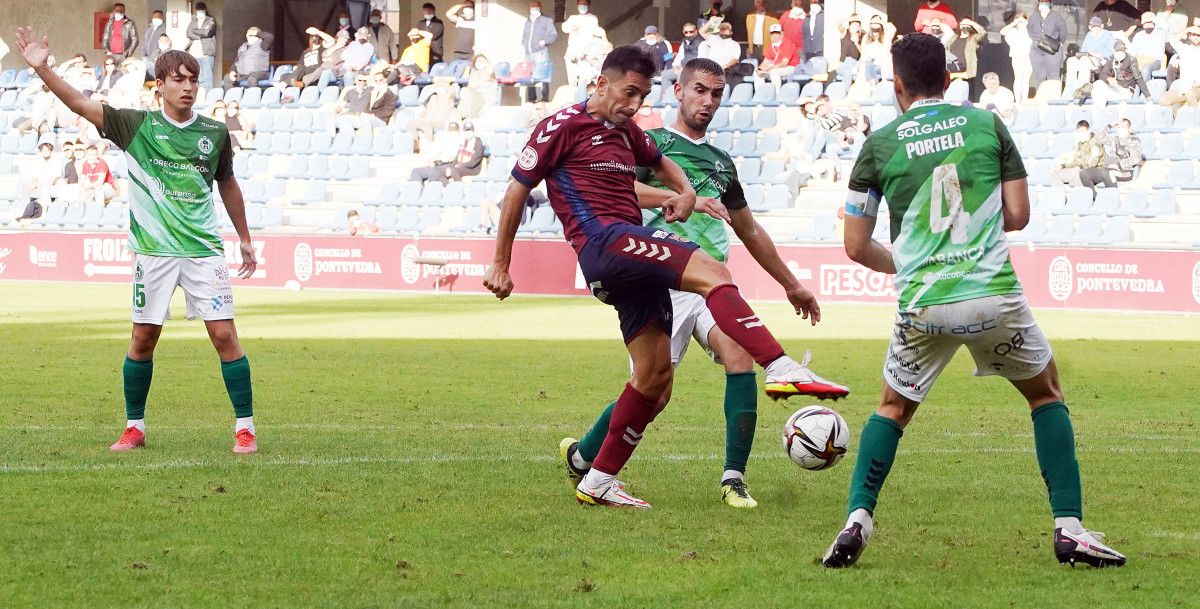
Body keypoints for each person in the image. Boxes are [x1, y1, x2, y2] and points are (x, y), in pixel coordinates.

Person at [485, 47, 841, 510]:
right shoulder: (562, 126)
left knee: (653, 379)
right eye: (629, 93)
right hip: (607, 242)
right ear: (600, 83)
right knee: (715, 272)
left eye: (641, 95)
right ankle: (781, 366)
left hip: (634, 261)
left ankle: (597, 480)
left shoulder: (630, 133)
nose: (635, 104)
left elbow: (660, 162)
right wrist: (501, 262)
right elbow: (518, 187)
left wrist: (685, 192)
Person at [823, 32, 1127, 570]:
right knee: (1045, 394)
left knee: (891, 408)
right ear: (948, 79)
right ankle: (1070, 528)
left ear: (897, 85)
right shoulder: (987, 124)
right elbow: (1016, 215)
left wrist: (916, 262)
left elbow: (853, 245)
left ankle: (856, 521)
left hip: (924, 303)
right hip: (992, 295)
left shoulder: (880, 144)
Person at [24, 29, 260, 452]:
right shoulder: (135, 125)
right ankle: (135, 427)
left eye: (193, 80)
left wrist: (244, 237)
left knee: (225, 336)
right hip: (153, 252)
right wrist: (42, 67)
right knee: (142, 339)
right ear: (160, 86)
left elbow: (227, 183)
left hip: (203, 250)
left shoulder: (215, 133)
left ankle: (245, 428)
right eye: (178, 80)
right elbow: (79, 103)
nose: (188, 87)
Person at [1075, 42, 1151, 104]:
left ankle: (1100, 112)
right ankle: (1097, 109)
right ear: (1114, 51)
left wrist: (1147, 95)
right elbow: (1102, 74)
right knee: (1098, 85)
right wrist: (1109, 78)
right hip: (1113, 87)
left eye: (1122, 50)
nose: (1120, 53)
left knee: (1098, 93)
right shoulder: (1111, 58)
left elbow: (1139, 78)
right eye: (1118, 51)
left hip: (1126, 89)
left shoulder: (1131, 59)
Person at [410, 121, 483, 185]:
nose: (468, 133)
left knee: (440, 171)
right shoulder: (461, 143)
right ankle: (418, 190)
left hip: (469, 168)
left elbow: (474, 161)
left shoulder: (476, 143)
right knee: (416, 171)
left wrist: (452, 166)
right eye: (466, 131)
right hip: (451, 165)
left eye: (470, 130)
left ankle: (455, 189)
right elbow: (456, 159)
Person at [1080, 118, 1143, 192]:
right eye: (1119, 127)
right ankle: (1094, 197)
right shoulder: (1115, 139)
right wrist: (1111, 125)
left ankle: (1112, 198)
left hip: (1127, 172)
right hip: (1110, 169)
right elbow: (1099, 137)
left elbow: (1135, 159)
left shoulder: (1134, 141)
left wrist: (1118, 165)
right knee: (1084, 173)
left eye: (1123, 127)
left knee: (1108, 173)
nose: (1120, 129)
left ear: (1129, 128)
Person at [1029, 1, 1067, 93]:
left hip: (1051, 47)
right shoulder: (1034, 16)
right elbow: (1029, 30)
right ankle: (1041, 98)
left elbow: (1063, 32)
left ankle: (1054, 98)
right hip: (1037, 48)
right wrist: (1036, 39)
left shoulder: (1056, 17)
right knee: (1039, 75)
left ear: (1049, 6)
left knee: (1053, 75)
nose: (1042, 6)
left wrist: (1060, 43)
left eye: (1045, 4)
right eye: (1041, 4)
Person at [1054, 120, 1107, 186]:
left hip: (1097, 173)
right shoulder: (1080, 144)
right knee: (1055, 173)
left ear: (1089, 131)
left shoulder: (1096, 143)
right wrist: (1062, 166)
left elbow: (1092, 164)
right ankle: (1060, 195)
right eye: (1079, 132)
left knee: (1078, 174)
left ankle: (1084, 194)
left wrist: (1079, 168)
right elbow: (1076, 161)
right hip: (1082, 171)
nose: (1081, 134)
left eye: (1083, 132)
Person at [563, 0, 600, 87]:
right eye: (581, 4)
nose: (582, 6)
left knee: (585, 78)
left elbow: (594, 34)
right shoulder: (573, 18)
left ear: (588, 5)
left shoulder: (592, 18)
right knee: (573, 78)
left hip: (586, 53)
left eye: (584, 4)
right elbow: (565, 28)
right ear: (577, 5)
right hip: (573, 51)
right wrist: (573, 27)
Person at [1161, 26, 1200, 109]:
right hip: (1184, 87)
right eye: (1193, 34)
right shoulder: (1184, 49)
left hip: (1197, 88)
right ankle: (1178, 118)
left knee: (1190, 95)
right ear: (1189, 35)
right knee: (1163, 100)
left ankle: (1195, 119)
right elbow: (1171, 40)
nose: (1196, 37)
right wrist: (1186, 30)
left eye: (1198, 35)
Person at [1001, 12, 1032, 100]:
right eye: (1017, 18)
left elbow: (1037, 31)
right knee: (1018, 78)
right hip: (1017, 57)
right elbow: (1002, 32)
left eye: (1022, 18)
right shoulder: (1012, 31)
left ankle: (1024, 99)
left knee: (1026, 80)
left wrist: (1026, 22)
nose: (1020, 21)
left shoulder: (1029, 31)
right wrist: (1014, 23)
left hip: (1028, 57)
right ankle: (1018, 100)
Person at [662, 23, 703, 91]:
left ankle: (680, 98)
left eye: (691, 32)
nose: (689, 34)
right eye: (686, 32)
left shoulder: (701, 43)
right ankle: (666, 98)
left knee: (681, 75)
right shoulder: (684, 42)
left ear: (696, 31)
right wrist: (675, 66)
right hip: (682, 68)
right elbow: (679, 56)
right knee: (665, 75)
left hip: (694, 70)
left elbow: (701, 59)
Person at [756, 24, 798, 89]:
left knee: (774, 72)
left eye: (777, 33)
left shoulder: (787, 43)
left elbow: (784, 63)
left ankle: (776, 94)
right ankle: (760, 93)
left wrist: (769, 68)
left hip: (790, 67)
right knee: (757, 73)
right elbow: (765, 61)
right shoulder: (770, 45)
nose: (774, 36)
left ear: (781, 34)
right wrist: (760, 69)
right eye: (772, 34)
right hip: (775, 67)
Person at [186, 3, 217, 89]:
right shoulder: (193, 21)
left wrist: (195, 31)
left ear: (205, 10)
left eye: (201, 10)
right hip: (194, 53)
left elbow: (208, 32)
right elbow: (188, 33)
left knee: (207, 78)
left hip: (207, 52)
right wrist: (201, 34)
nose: (200, 12)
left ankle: (209, 98)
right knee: (197, 78)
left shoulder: (210, 20)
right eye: (198, 10)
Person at [1130, 12, 1167, 84]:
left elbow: (1165, 26)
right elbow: (1132, 51)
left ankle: (1145, 93)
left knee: (1146, 69)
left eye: (1150, 22)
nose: (1148, 25)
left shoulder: (1160, 33)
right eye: (1145, 23)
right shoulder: (1138, 35)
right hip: (1139, 60)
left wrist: (1155, 19)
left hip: (1154, 61)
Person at [800, 0, 826, 77]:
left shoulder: (824, 15)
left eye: (815, 2)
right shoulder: (807, 16)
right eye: (811, 3)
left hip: (820, 48)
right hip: (808, 49)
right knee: (808, 72)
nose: (813, 5)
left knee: (820, 71)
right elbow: (804, 34)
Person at [836, 15, 864, 84]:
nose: (856, 26)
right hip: (843, 64)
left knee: (858, 73)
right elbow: (838, 23)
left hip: (855, 64)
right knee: (848, 72)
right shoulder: (845, 32)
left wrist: (857, 43)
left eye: (857, 25)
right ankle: (846, 91)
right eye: (853, 24)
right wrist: (851, 18)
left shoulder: (862, 36)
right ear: (849, 25)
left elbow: (864, 53)